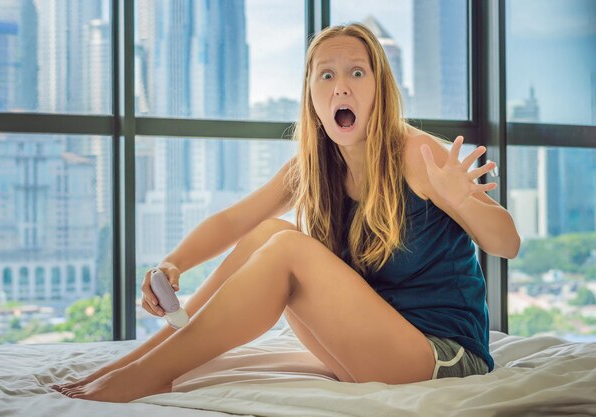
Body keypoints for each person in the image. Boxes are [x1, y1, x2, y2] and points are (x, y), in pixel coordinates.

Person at [52, 22, 520, 402]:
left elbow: (507, 244)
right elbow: (234, 222)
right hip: (369, 351)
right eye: (327, 75)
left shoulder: (416, 154)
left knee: (287, 248)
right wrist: (174, 264)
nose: (342, 87)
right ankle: (134, 366)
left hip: (444, 358)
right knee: (268, 234)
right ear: (312, 96)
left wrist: (463, 201)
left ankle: (148, 375)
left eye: (357, 72)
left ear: (380, 87)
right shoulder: (316, 167)